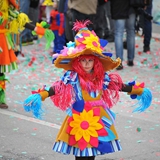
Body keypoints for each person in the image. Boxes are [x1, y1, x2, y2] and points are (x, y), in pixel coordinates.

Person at [23, 20, 152, 160]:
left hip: (97, 116)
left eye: (90, 60)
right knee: (81, 151)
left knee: (92, 153)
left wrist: (137, 90)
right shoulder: (73, 76)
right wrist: (43, 94)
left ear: (95, 62)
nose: (86, 64)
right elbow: (58, 88)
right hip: (80, 117)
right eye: (83, 60)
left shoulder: (101, 77)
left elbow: (117, 85)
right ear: (77, 61)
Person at [0, 0, 55, 109]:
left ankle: (1, 98)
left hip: (2, 41)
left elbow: (20, 20)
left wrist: (40, 30)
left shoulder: (7, 6)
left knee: (1, 71)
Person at [110, 0, 136, 70]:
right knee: (131, 31)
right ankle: (130, 59)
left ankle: (119, 61)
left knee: (119, 33)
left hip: (118, 6)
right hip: (132, 6)